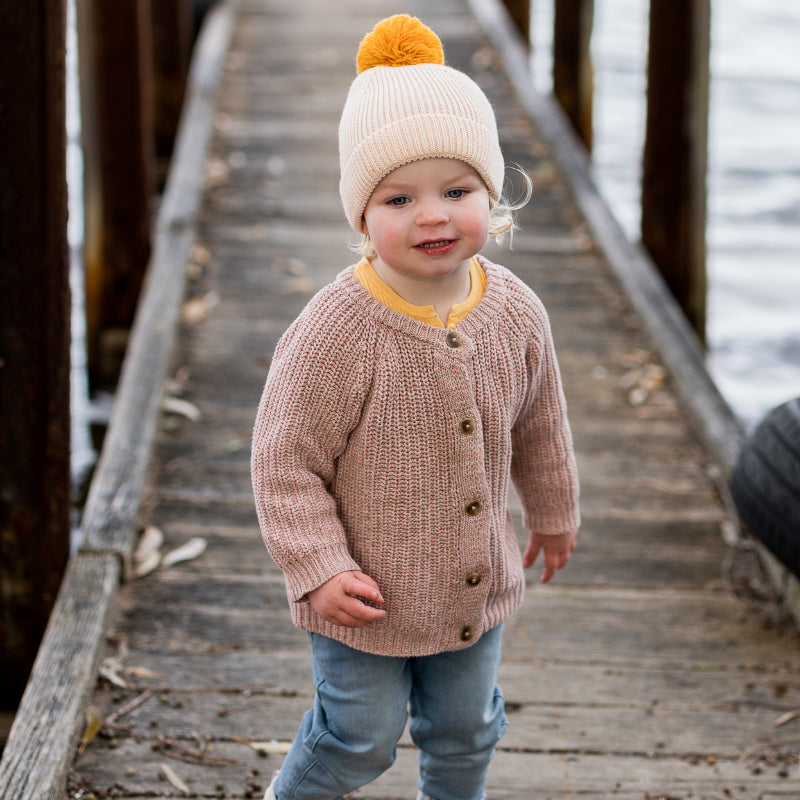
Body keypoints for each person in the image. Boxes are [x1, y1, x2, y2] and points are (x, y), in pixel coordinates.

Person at [251, 14, 580, 800]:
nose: (432, 215)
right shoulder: (338, 330)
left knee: (466, 733)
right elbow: (284, 459)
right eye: (399, 198)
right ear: (361, 217)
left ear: (490, 194)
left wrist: (555, 509)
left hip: (474, 587)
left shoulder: (516, 312)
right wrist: (316, 566)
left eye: (456, 190)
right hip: (365, 593)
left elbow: (541, 425)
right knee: (356, 740)